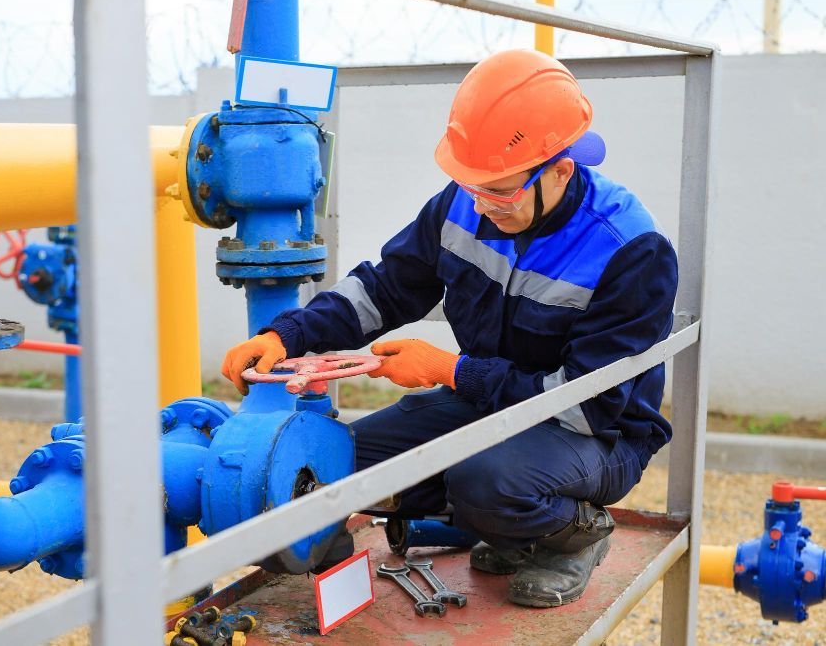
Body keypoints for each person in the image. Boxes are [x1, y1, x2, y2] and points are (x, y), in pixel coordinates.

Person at [221, 49, 678, 608]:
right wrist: (288, 335)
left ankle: (572, 537)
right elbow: (385, 287)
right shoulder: (469, 201)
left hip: (597, 436)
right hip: (489, 404)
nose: (482, 207)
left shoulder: (630, 250)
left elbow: (584, 406)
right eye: (473, 186)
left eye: (500, 191)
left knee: (486, 480)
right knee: (342, 460)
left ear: (561, 169)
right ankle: (501, 528)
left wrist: (449, 369)